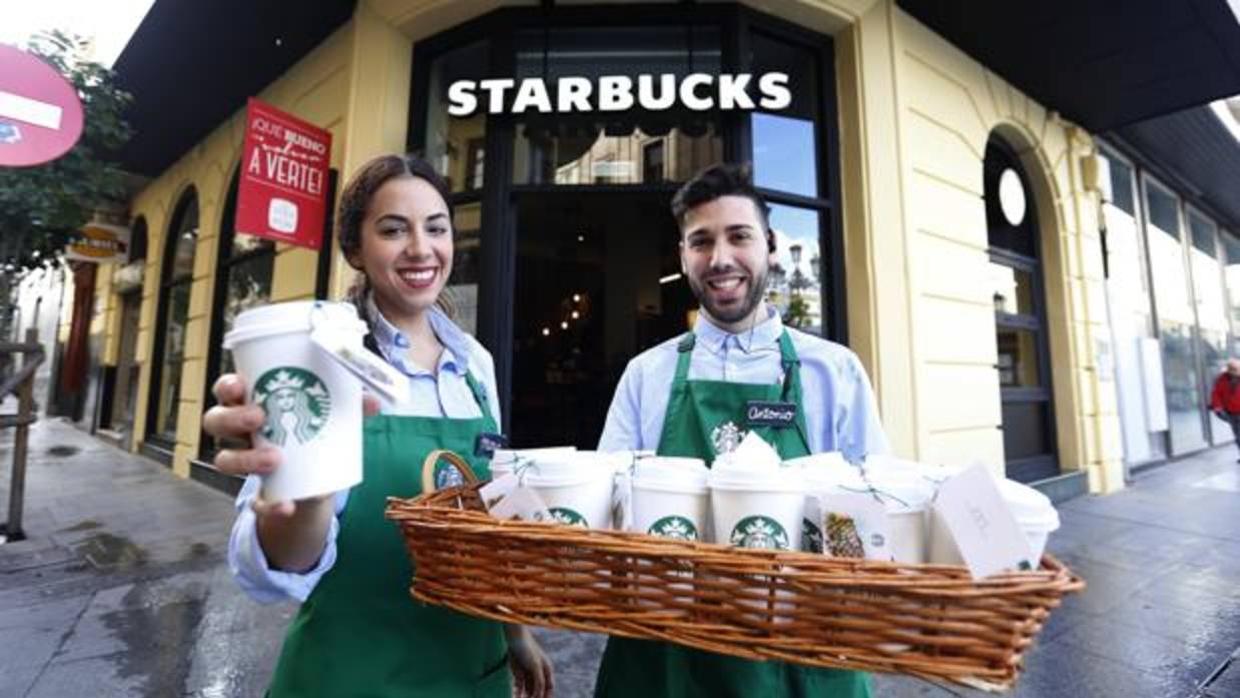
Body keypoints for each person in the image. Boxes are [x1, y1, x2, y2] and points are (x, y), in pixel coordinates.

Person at [204, 154, 554, 698]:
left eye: (436, 228)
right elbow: (274, 569)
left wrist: (514, 632)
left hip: (470, 673)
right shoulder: (321, 358)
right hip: (350, 676)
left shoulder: (477, 365)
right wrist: (304, 496)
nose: (421, 248)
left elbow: (486, 523)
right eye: (393, 230)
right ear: (354, 250)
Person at [594, 163, 888, 698]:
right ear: (683, 256)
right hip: (664, 652)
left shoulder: (833, 371)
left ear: (770, 246)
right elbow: (608, 512)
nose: (721, 258)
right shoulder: (646, 375)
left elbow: (872, 508)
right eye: (701, 241)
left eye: (739, 236)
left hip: (800, 653)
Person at [1209, 358, 1240, 461]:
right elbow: (1216, 393)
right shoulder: (1222, 379)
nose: (1235, 371)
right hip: (1231, 412)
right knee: (1238, 435)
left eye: (1236, 369)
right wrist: (1217, 407)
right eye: (1232, 369)